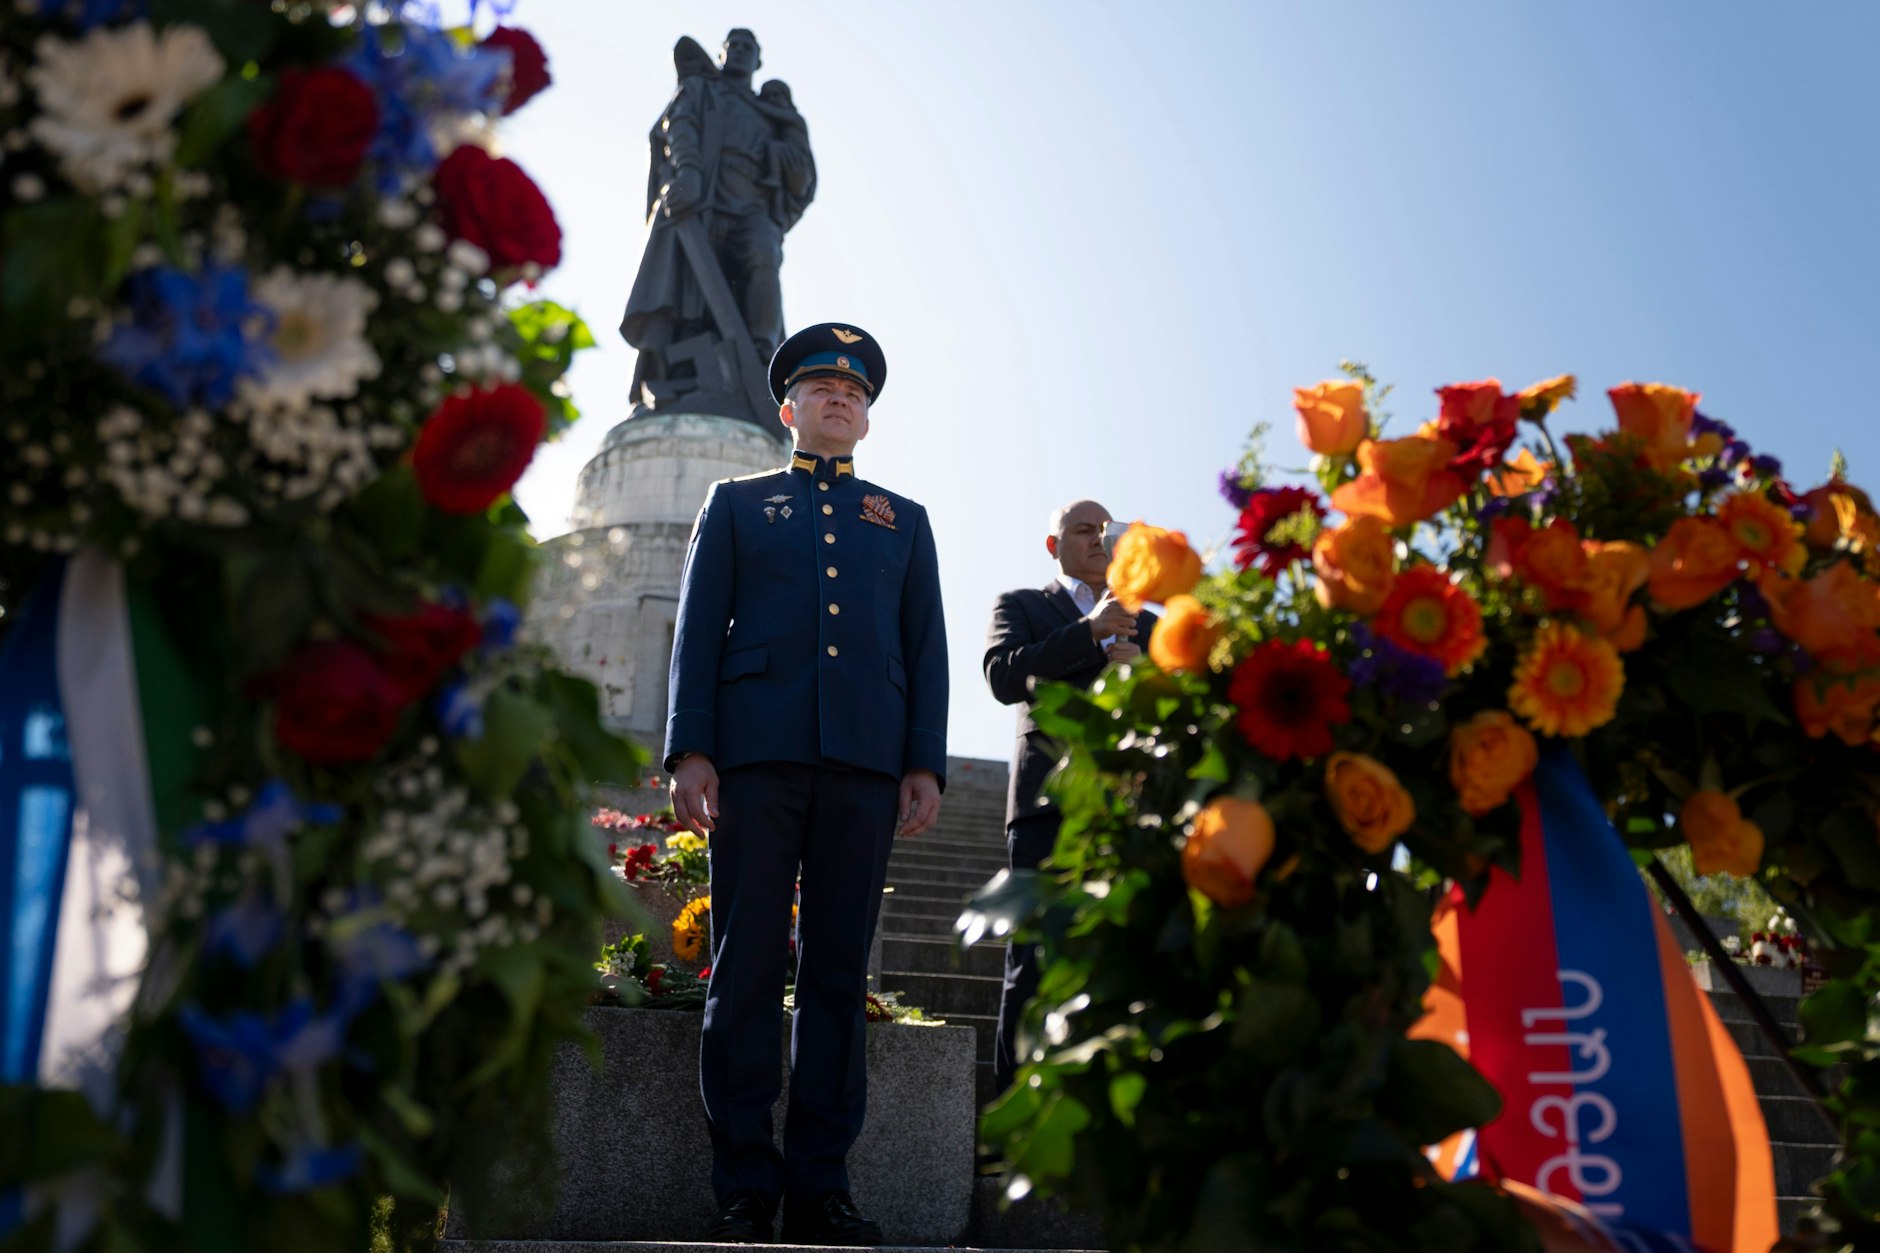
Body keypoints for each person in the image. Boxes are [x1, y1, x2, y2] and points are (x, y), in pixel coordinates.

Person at [665, 323, 948, 1245]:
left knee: (834, 973)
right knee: (746, 963)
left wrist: (922, 762)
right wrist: (690, 749)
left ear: (867, 419)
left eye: (856, 393)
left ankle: (822, 1185)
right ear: (788, 409)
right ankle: (746, 1183)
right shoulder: (739, 503)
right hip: (756, 757)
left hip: (865, 765)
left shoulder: (903, 521)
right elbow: (698, 631)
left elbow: (926, 652)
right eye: (823, 387)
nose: (840, 399)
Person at [982, 502, 1155, 1094]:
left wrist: (1143, 672)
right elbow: (1003, 676)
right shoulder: (1023, 605)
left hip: (1128, 814)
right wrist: (1090, 634)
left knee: (1120, 968)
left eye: (1108, 530)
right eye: (1085, 530)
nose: (1099, 539)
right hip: (1045, 812)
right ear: (1054, 546)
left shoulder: (1152, 625)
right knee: (1032, 965)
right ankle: (1009, 1136)